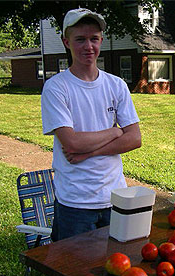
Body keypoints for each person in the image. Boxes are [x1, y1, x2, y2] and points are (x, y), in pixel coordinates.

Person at [41, 8, 141, 245]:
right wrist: (116, 131)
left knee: (115, 270)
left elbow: (135, 139)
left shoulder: (116, 85)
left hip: (115, 198)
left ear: (101, 41)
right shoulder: (57, 88)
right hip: (75, 203)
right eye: (80, 39)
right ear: (66, 42)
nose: (88, 46)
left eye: (94, 39)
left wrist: (90, 151)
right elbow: (72, 142)